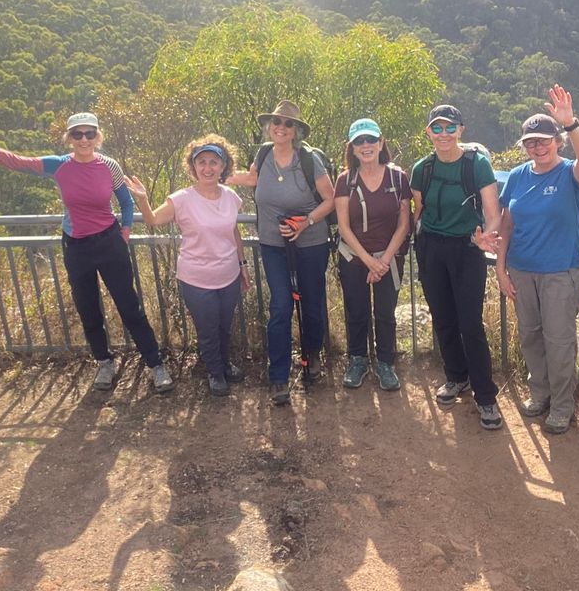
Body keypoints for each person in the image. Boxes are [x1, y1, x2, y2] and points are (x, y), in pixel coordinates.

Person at [0, 114, 173, 393]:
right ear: (69, 138)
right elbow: (16, 161)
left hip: (110, 243)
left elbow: (126, 203)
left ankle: (156, 364)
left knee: (129, 306)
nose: (84, 139)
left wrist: (126, 232)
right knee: (88, 308)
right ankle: (104, 362)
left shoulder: (109, 166)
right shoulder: (59, 165)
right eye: (77, 134)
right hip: (76, 247)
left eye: (89, 133)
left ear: (98, 136)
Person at [494, 86, 579, 435]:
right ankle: (540, 394)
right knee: (531, 336)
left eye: (544, 140)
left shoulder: (570, 173)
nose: (538, 147)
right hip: (523, 270)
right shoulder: (519, 175)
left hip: (561, 272)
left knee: (560, 340)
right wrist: (500, 267)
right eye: (531, 142)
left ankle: (563, 405)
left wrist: (571, 124)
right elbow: (507, 222)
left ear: (557, 140)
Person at [226, 100, 335, 407]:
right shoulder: (263, 154)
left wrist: (306, 222)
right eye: (277, 122)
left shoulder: (309, 159)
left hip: (311, 241)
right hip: (273, 244)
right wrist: (217, 175)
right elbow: (251, 179)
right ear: (269, 125)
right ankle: (278, 377)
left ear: (296, 130)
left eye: (288, 124)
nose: (281, 127)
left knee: (312, 303)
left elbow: (330, 200)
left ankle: (312, 355)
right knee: (281, 305)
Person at [126, 135, 250, 396]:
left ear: (223, 166)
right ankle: (215, 373)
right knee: (207, 330)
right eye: (201, 162)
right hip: (196, 278)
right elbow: (152, 220)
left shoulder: (231, 197)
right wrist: (143, 199)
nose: (207, 168)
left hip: (228, 275)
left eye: (214, 162)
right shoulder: (181, 199)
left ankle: (224, 365)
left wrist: (243, 265)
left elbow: (234, 233)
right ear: (193, 167)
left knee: (224, 326)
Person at [411, 104, 504, 430]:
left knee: (470, 324)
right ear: (429, 132)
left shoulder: (477, 165)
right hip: (431, 248)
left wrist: (486, 236)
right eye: (437, 128)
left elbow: (493, 210)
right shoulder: (421, 168)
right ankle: (456, 376)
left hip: (468, 247)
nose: (444, 134)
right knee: (444, 318)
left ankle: (486, 396)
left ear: (461, 130)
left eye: (450, 128)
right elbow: (418, 210)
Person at [334, 118, 412, 392]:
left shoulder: (397, 177)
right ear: (352, 148)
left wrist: (384, 260)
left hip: (388, 258)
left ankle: (385, 363)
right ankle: (358, 360)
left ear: (381, 143)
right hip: (354, 258)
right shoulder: (345, 180)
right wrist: (369, 261)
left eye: (370, 140)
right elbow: (343, 225)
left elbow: (405, 222)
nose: (365, 146)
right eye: (359, 141)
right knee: (356, 310)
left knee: (385, 312)